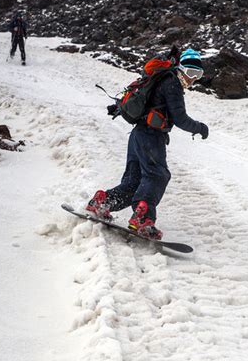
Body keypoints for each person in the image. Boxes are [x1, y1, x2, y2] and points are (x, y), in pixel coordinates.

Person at [86, 47, 209, 239]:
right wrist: (200, 128)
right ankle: (143, 219)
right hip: (151, 137)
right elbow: (180, 118)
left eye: (198, 74)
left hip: (137, 135)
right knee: (158, 175)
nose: (193, 78)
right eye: (191, 72)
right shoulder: (172, 83)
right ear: (181, 68)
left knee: (133, 182)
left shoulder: (159, 79)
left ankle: (102, 202)